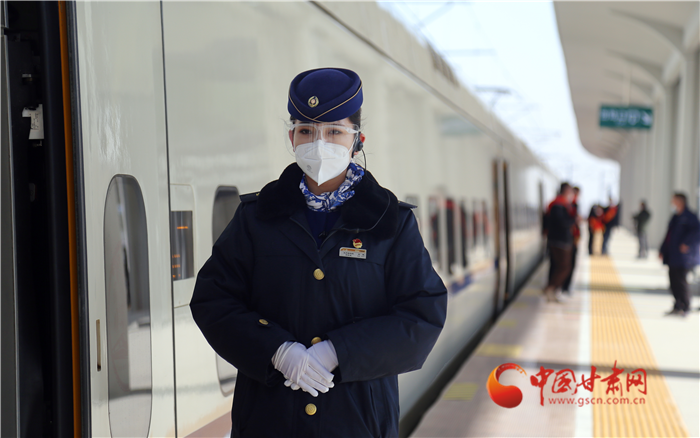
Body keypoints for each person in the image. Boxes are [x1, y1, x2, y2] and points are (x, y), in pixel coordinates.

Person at [189, 67, 448, 437]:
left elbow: (422, 316)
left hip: (358, 423)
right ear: (292, 137)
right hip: (268, 422)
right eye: (307, 131)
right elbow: (213, 300)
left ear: (357, 140)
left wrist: (340, 351)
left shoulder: (390, 223)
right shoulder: (256, 218)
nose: (319, 143)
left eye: (334, 132)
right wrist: (277, 350)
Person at [659, 192, 700, 317]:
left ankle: (686, 306)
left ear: (680, 201)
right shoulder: (676, 217)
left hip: (684, 257)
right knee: (673, 282)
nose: (672, 202)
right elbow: (669, 235)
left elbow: (697, 232)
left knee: (681, 282)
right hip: (673, 255)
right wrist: (662, 250)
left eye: (674, 200)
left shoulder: (689, 217)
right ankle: (677, 305)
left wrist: (686, 243)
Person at [543, 183, 576, 302]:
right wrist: (573, 220)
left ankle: (554, 290)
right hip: (560, 241)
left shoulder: (561, 204)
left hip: (559, 240)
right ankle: (551, 289)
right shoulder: (558, 205)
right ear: (566, 191)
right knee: (564, 267)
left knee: (561, 266)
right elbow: (561, 222)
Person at [561, 186, 581, 293]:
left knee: (570, 265)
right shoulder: (564, 205)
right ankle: (563, 287)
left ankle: (565, 287)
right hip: (568, 240)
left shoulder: (570, 205)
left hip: (571, 239)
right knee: (567, 265)